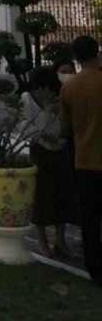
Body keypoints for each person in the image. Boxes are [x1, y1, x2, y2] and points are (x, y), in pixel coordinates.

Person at [59, 35, 102, 283]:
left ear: (75, 58)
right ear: (97, 53)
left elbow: (65, 126)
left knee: (89, 216)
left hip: (84, 159)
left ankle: (94, 268)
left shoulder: (70, 88)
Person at [20, 67, 74, 257]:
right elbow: (26, 124)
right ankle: (43, 241)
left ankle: (60, 240)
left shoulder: (57, 96)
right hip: (41, 149)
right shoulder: (27, 97)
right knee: (42, 197)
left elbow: (66, 120)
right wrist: (43, 137)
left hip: (59, 148)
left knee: (62, 194)